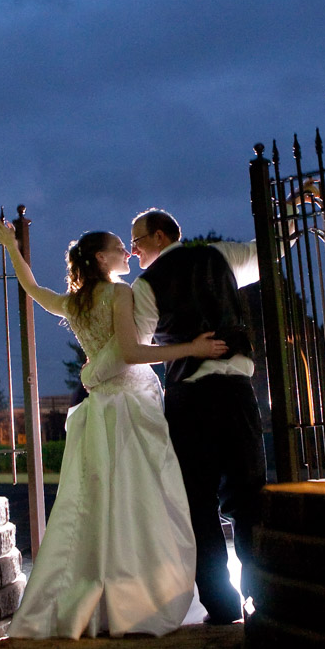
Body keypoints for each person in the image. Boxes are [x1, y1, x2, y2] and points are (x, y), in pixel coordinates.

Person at [0, 220, 228, 639]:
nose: (128, 253)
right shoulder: (119, 293)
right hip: (131, 409)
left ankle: (102, 597)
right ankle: (138, 597)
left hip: (100, 410)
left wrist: (11, 247)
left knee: (100, 506)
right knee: (144, 501)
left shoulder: (74, 303)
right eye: (121, 248)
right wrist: (192, 348)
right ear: (102, 259)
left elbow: (32, 289)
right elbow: (132, 352)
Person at [82, 208, 266, 625]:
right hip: (237, 392)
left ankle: (220, 606)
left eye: (138, 241)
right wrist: (290, 211)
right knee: (248, 497)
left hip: (189, 400)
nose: (133, 249)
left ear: (161, 236)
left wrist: (95, 369)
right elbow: (269, 250)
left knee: (197, 503)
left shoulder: (147, 286)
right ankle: (261, 597)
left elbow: (138, 348)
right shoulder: (221, 255)